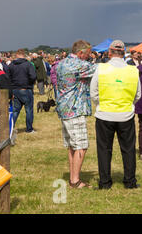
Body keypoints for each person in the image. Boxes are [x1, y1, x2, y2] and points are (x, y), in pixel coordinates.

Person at [91, 40, 141, 189]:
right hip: (125, 114)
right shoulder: (133, 70)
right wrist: (129, 104)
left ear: (110, 53)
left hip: (104, 114)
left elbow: (93, 92)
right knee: (128, 149)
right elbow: (138, 95)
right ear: (124, 52)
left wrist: (101, 104)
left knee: (104, 150)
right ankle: (130, 181)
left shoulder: (101, 68)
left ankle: (105, 182)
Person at [55, 40, 97, 189]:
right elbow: (98, 69)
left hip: (64, 107)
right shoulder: (79, 64)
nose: (89, 56)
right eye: (88, 54)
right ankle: (75, 181)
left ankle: (73, 177)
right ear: (80, 53)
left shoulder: (61, 63)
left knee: (72, 146)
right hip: (75, 108)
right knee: (81, 145)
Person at [7, 49, 37, 133]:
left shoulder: (11, 65)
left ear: (16, 55)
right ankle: (29, 129)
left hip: (15, 90)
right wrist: (30, 83)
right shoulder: (28, 64)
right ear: (24, 55)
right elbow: (33, 76)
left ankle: (10, 128)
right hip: (26, 89)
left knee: (15, 111)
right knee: (29, 110)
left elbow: (8, 78)